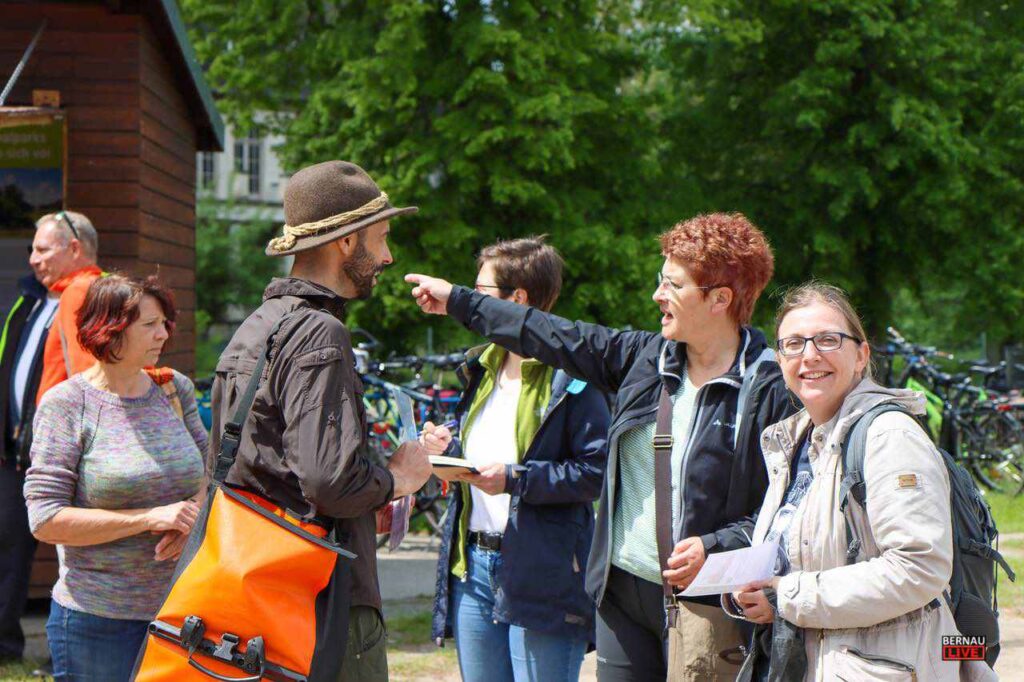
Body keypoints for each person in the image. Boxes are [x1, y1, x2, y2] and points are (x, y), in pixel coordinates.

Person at [408, 213, 797, 681]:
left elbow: (789, 506)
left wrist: (717, 544)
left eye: (673, 285)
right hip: (621, 594)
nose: (658, 295)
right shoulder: (642, 358)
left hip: (708, 603)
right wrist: (459, 300)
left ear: (720, 299)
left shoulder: (771, 387)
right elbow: (544, 331)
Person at [208, 160, 445, 682]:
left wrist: (370, 504)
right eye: (381, 238)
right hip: (325, 597)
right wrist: (400, 477)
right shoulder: (320, 334)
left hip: (260, 587)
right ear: (345, 242)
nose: (388, 256)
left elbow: (251, 468)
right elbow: (327, 481)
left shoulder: (256, 327)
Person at [726, 282, 993, 681]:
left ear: (861, 355)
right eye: (794, 343)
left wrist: (787, 596)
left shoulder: (889, 436)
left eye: (828, 340)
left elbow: (918, 566)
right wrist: (760, 591)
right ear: (780, 361)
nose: (809, 355)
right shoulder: (795, 443)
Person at [429, 237, 610, 681]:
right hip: (472, 567)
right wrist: (447, 454)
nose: (470, 301)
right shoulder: (481, 367)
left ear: (517, 300)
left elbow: (595, 473)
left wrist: (515, 479)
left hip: (543, 573)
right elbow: (482, 462)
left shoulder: (573, 377)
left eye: (480, 292)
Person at [23, 275, 207, 682]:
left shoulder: (174, 388)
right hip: (99, 623)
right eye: (149, 325)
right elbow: (46, 519)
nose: (164, 334)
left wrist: (188, 518)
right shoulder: (67, 406)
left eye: (165, 323)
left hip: (185, 612)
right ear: (109, 329)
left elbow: (209, 471)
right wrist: (148, 518)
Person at [0, 272, 52, 662]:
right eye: (33, 249)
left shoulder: (82, 297)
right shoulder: (28, 300)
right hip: (13, 451)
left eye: (44, 249)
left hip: (55, 451)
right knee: (10, 547)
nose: (35, 259)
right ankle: (5, 647)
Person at [32, 210, 103, 402]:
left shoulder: (79, 291)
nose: (33, 260)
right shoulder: (104, 289)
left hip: (65, 426)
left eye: (43, 250)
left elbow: (88, 375)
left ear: (74, 249)